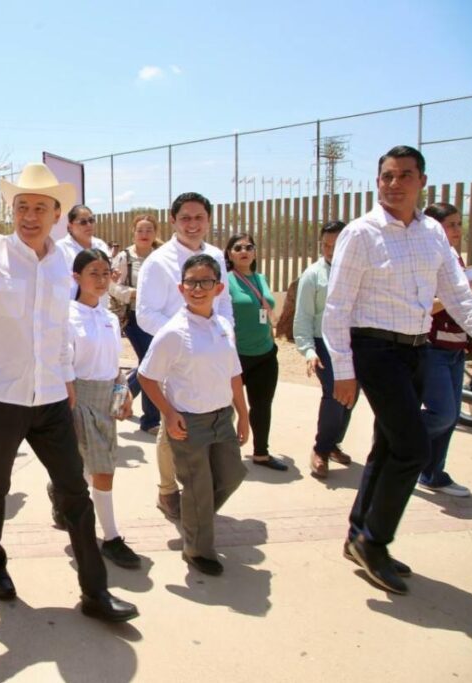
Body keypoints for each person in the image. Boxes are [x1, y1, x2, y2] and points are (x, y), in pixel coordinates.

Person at [0, 143, 138, 623]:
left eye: (40, 208)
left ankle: (95, 592)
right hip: (1, 399)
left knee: (74, 492)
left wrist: (67, 379)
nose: (30, 216)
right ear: (11, 211)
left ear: (56, 215)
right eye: (22, 207)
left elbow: (57, 329)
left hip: (51, 398)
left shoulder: (61, 265)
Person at [323, 145, 472, 595]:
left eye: (404, 175)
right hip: (375, 350)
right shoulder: (361, 234)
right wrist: (343, 370)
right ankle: (374, 542)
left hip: (417, 350)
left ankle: (358, 533)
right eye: (387, 176)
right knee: (413, 448)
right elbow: (337, 307)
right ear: (377, 181)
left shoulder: (433, 233)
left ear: (422, 181)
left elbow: (458, 296)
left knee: (388, 446)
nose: (394, 184)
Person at [138, 254, 249, 576]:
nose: (197, 289)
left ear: (218, 288)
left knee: (232, 475)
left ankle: (195, 517)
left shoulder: (224, 325)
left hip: (222, 418)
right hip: (189, 424)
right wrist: (169, 414)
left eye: (205, 282)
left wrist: (243, 415)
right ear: (181, 288)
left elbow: (234, 374)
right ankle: (198, 550)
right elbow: (147, 376)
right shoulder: (173, 332)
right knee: (198, 487)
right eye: (191, 283)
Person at [135, 192, 234, 520]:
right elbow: (145, 313)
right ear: (173, 221)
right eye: (185, 218)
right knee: (173, 422)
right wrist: (183, 336)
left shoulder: (216, 256)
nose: (193, 224)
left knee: (212, 414)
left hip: (214, 353)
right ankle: (167, 491)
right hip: (176, 357)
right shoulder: (158, 262)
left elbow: (224, 303)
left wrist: (224, 335)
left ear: (208, 220)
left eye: (199, 217)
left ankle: (199, 489)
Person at [58, 248, 139, 569]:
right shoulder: (66, 316)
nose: (101, 280)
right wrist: (67, 402)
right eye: (94, 273)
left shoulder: (109, 317)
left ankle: (58, 492)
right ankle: (111, 537)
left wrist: (123, 391)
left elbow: (113, 363)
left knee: (89, 467)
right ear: (76, 277)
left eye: (106, 273)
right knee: (103, 470)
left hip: (107, 398)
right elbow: (62, 361)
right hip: (78, 398)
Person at [419, 202, 472, 497]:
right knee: (441, 414)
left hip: (455, 348)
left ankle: (432, 473)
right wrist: (459, 294)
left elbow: (458, 306)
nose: (457, 230)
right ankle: (397, 436)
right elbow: (424, 306)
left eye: (458, 224)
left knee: (450, 418)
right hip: (432, 348)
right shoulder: (425, 260)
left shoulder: (455, 258)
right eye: (450, 225)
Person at [294, 221, 355, 480]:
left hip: (353, 344)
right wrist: (309, 350)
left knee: (351, 396)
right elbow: (303, 318)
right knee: (333, 393)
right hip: (324, 345)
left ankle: (333, 444)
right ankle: (320, 450)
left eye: (336, 245)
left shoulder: (358, 271)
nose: (330, 250)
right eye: (325, 245)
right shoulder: (313, 276)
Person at [225, 233, 288, 472]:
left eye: (248, 247)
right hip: (236, 357)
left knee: (262, 405)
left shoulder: (261, 278)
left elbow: (266, 311)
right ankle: (225, 454)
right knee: (226, 407)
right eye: (238, 248)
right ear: (229, 254)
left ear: (254, 252)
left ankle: (261, 453)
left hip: (265, 354)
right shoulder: (226, 281)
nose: (244, 251)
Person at [110, 214, 164, 434]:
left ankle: (119, 401)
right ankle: (150, 420)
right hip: (134, 318)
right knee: (150, 364)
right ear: (133, 232)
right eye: (140, 230)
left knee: (149, 364)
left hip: (159, 318)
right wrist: (135, 294)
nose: (144, 234)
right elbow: (112, 287)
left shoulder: (161, 256)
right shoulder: (124, 257)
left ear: (155, 233)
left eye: (149, 230)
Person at [56, 204, 111, 300]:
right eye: (83, 222)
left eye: (91, 220)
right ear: (70, 226)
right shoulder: (60, 248)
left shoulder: (101, 245)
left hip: (100, 304)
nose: (88, 225)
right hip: (71, 305)